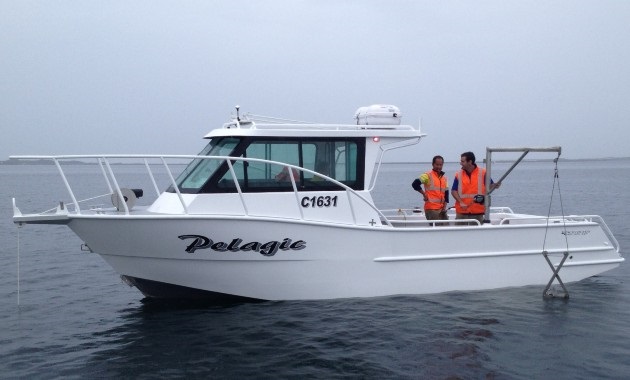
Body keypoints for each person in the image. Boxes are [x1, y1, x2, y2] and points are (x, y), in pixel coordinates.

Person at [451, 151, 500, 225]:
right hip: (462, 212)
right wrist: (461, 202)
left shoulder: (483, 172)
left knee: (476, 235)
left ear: (470, 162)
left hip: (477, 212)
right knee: (459, 235)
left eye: (462, 161)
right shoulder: (459, 174)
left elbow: (490, 187)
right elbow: (454, 191)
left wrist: (495, 185)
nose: (460, 163)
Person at [411, 155, 449, 222]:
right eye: (437, 164)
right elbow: (415, 184)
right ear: (433, 164)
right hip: (431, 209)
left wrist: (444, 207)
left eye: (441, 165)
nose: (439, 167)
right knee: (437, 229)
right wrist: (424, 194)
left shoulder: (444, 178)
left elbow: (446, 194)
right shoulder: (427, 175)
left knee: (446, 228)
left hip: (441, 209)